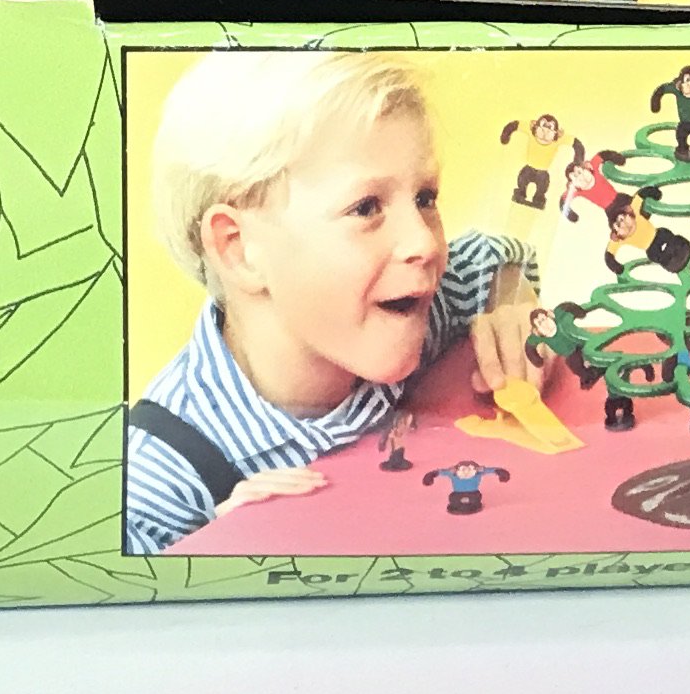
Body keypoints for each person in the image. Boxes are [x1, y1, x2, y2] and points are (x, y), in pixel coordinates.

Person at [123, 52, 546, 555]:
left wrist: (510, 312)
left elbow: (495, 259)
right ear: (239, 248)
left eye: (425, 198)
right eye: (366, 207)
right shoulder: (158, 476)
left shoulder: (421, 309)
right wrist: (218, 563)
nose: (424, 243)